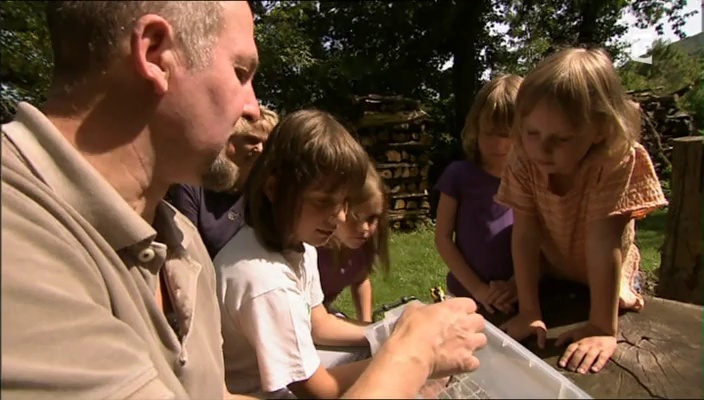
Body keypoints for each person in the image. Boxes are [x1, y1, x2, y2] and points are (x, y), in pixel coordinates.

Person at [1, 1, 487, 399]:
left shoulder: (180, 237)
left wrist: (393, 353)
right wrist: (408, 355)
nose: (253, 107)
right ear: (155, 54)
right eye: (241, 72)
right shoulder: (19, 240)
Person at [495, 47, 667, 375]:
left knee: (618, 303)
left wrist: (603, 328)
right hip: (554, 259)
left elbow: (605, 242)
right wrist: (530, 311)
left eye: (561, 139)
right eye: (532, 132)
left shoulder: (615, 158)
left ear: (599, 130)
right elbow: (525, 233)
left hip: (602, 264)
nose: (542, 148)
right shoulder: (523, 157)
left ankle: (620, 295)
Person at [215, 109, 381, 399]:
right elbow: (319, 392)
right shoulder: (265, 283)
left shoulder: (299, 246)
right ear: (274, 189)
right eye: (322, 202)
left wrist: (383, 332)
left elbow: (319, 323)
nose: (339, 218)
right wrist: (405, 355)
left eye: (344, 203)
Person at [435, 74, 522, 315]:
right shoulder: (458, 175)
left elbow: (542, 243)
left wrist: (515, 285)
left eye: (508, 135)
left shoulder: (533, 181)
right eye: (490, 133)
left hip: (521, 295)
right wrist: (479, 290)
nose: (499, 145)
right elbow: (442, 238)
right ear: (475, 129)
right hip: (465, 295)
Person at [170, 105, 279, 258]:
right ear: (229, 140)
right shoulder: (193, 186)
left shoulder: (267, 195)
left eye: (266, 144)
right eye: (252, 140)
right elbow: (186, 251)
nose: (260, 149)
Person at [317, 160, 390, 323]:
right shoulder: (312, 251)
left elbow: (360, 279)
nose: (364, 228)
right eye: (354, 217)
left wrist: (366, 322)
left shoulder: (360, 249)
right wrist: (367, 332)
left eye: (372, 218)